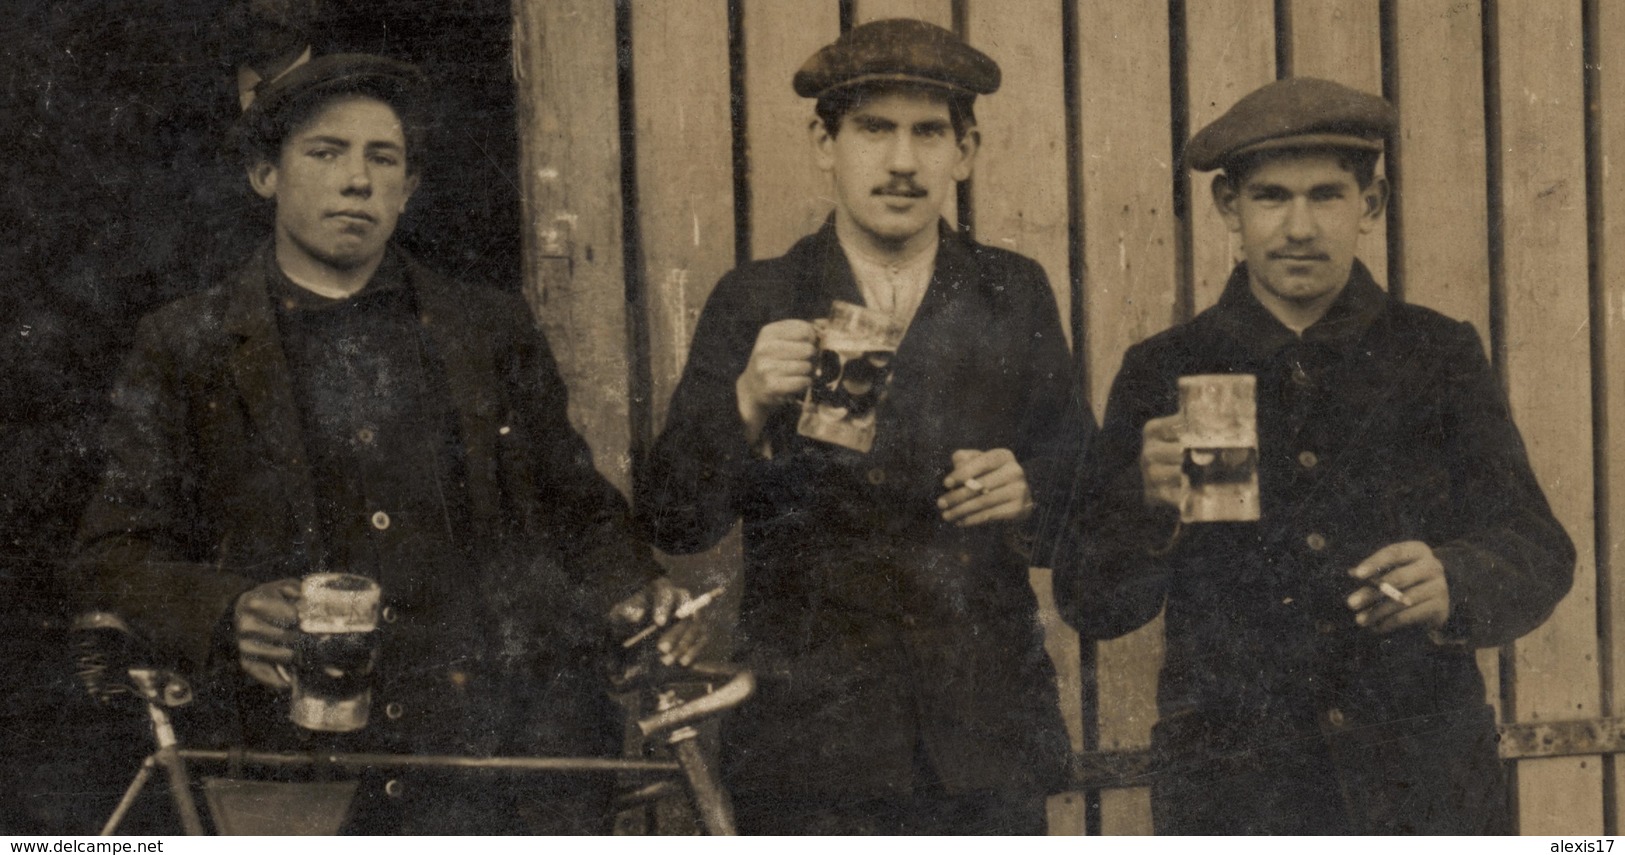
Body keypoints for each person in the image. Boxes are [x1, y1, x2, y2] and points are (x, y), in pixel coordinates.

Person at [72, 53, 705, 834]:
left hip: (485, 763)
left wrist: (632, 586)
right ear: (264, 175)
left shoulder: (487, 328)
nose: (357, 180)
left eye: (383, 158)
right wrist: (225, 610)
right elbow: (113, 556)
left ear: (407, 189)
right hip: (290, 769)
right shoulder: (185, 343)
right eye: (325, 152)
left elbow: (578, 508)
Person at [1061, 77, 1576, 834]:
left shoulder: (1437, 354)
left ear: (1370, 203)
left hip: (1419, 785)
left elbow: (1537, 548)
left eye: (1325, 195)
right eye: (1270, 196)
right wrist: (1143, 503)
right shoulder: (1162, 366)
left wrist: (1454, 579)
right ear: (1226, 208)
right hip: (1238, 797)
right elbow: (1090, 601)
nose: (1298, 227)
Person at [636, 18, 1092, 835]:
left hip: (979, 736)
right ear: (824, 142)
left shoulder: (1011, 293)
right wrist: (742, 401)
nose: (902, 161)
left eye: (928, 132)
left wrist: (1027, 488)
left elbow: (1082, 479)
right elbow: (673, 513)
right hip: (812, 741)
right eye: (873, 129)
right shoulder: (758, 297)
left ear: (967, 149)